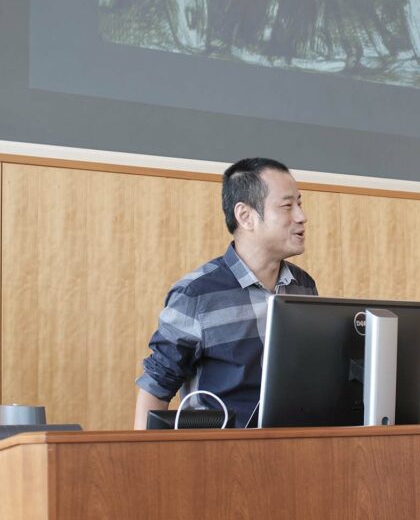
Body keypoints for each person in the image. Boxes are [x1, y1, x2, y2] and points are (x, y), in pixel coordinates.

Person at [133, 157, 317, 429]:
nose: (301, 216)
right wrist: (144, 454)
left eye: (299, 204)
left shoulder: (303, 285)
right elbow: (156, 386)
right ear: (245, 216)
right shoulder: (196, 294)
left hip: (292, 444)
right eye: (287, 206)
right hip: (221, 450)